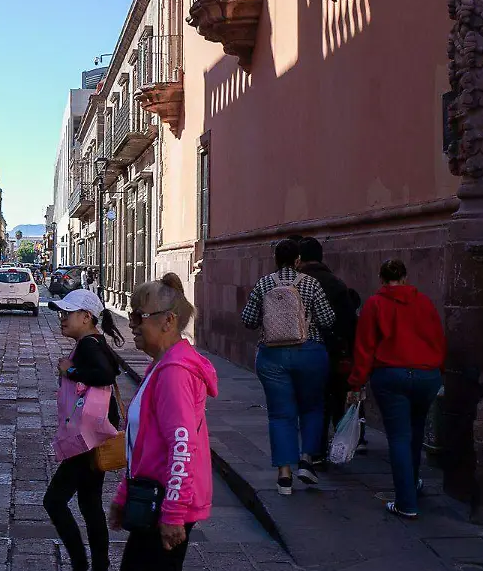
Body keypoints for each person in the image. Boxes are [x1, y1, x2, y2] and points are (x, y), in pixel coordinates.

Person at [110, 274, 217, 571]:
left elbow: (182, 446)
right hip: (151, 497)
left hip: (163, 505)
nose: (131, 324)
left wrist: (173, 513)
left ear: (168, 321)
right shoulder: (160, 365)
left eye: (137, 316)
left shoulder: (174, 373)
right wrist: (125, 494)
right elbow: (145, 443)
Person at [347, 259, 446, 520]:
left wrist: (357, 381)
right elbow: (438, 338)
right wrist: (439, 372)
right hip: (426, 375)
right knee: (415, 432)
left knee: (399, 437)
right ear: (404, 277)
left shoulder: (374, 304)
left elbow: (365, 347)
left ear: (382, 279)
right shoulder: (423, 302)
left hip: (390, 375)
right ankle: (412, 483)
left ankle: (406, 501)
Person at [240, 238, 335, 495]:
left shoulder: (264, 284)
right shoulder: (312, 284)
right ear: (298, 260)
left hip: (272, 357)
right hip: (310, 353)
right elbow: (327, 320)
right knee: (313, 408)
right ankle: (306, 460)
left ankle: (284, 476)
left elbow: (248, 320)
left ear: (275, 260)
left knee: (280, 414)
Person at [44, 289, 126, 571]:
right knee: (89, 505)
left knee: (54, 501)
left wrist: (71, 372)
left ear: (87, 316)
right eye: (61, 312)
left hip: (87, 437)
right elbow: (112, 369)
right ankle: (99, 566)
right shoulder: (93, 341)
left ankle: (81, 564)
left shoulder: (89, 345)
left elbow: (104, 374)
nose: (62, 318)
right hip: (96, 433)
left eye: (68, 313)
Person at [296, 237, 365, 461]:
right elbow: (348, 321)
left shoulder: (297, 282)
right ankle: (335, 448)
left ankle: (315, 451)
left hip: (303, 350)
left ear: (300, 258)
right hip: (335, 352)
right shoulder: (335, 283)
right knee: (334, 400)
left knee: (313, 402)